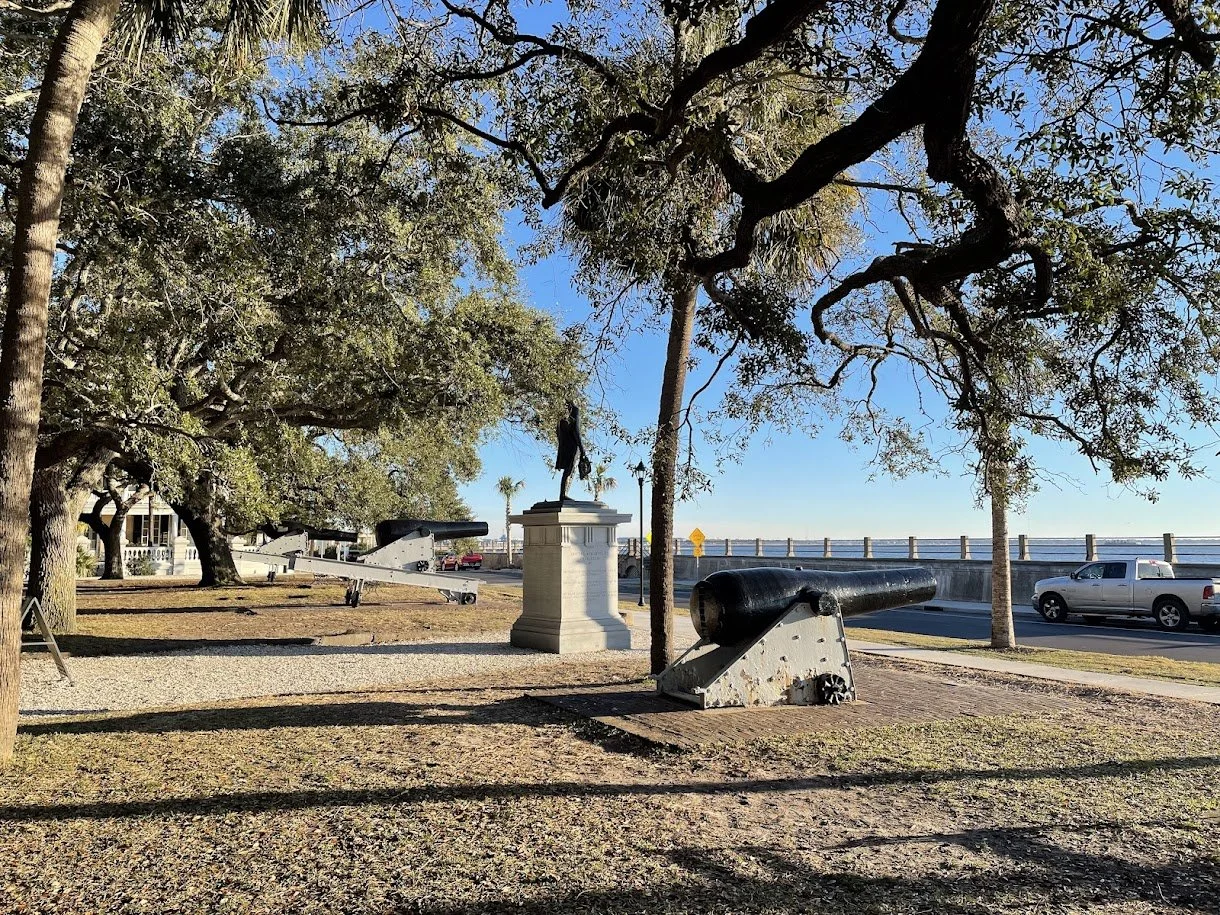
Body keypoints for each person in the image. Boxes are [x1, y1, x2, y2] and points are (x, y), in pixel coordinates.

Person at [555, 400, 589, 501]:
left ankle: (563, 494)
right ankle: (563, 494)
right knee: (568, 470)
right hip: (572, 446)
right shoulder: (575, 411)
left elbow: (558, 432)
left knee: (567, 471)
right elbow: (576, 432)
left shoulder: (561, 414)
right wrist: (582, 449)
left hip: (564, 445)